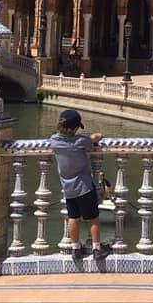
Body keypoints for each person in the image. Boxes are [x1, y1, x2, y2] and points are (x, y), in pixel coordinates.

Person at [49, 109, 111, 261]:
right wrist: (99, 136)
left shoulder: (54, 141)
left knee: (73, 217)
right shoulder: (80, 141)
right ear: (76, 127)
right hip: (84, 187)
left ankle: (76, 248)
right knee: (93, 218)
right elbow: (94, 139)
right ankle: (97, 248)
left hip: (68, 189)